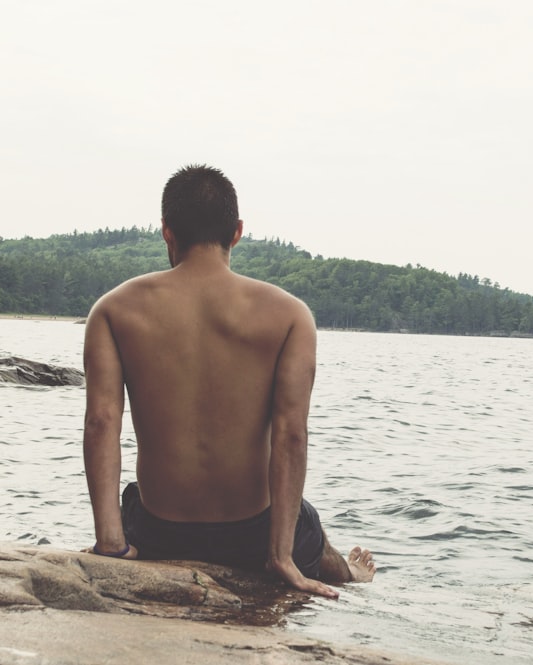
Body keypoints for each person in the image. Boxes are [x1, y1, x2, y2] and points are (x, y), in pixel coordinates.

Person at [82, 164, 375, 599]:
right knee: (306, 523)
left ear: (167, 232)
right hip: (252, 538)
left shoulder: (112, 309)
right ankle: (349, 572)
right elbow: (292, 434)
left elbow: (101, 422)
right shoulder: (290, 314)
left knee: (133, 496)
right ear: (237, 232)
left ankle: (117, 533)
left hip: (160, 532)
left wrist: (111, 543)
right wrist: (280, 556)